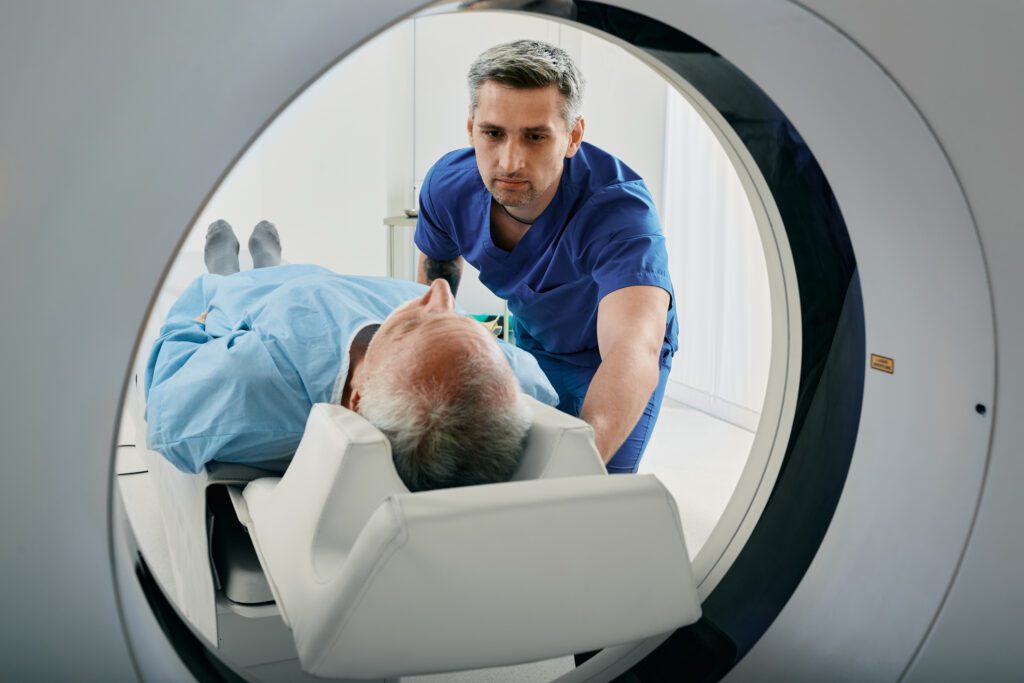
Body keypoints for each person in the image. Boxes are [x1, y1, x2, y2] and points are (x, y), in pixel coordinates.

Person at [415, 40, 677, 473]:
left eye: (535, 136)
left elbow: (634, 346)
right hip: (536, 341)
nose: (510, 161)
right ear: (470, 128)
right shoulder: (448, 186)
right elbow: (436, 276)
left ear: (572, 136)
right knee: (502, 464)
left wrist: (575, 473)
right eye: (493, 133)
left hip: (610, 356)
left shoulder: (619, 212)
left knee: (590, 484)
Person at [144, 220, 558, 492]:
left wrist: (193, 323)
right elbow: (537, 386)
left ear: (356, 400)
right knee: (296, 271)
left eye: (415, 325)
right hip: (337, 286)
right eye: (457, 320)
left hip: (256, 307)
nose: (441, 291)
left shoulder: (255, 384)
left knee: (228, 287)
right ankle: (272, 262)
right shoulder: (517, 381)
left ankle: (224, 271)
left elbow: (167, 405)